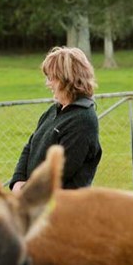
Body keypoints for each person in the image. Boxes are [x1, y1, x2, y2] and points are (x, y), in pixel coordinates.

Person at [10, 46, 102, 191]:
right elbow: (30, 146)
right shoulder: (53, 111)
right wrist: (18, 180)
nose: (48, 84)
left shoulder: (83, 120)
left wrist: (25, 191)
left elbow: (60, 172)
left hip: (64, 208)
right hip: (36, 201)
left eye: (52, 78)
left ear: (68, 79)